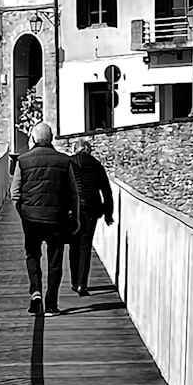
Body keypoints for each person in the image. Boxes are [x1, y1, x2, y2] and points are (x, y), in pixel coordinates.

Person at [10, 122, 78, 317]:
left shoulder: (23, 160)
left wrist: (22, 213)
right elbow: (73, 193)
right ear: (52, 138)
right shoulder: (64, 161)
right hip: (57, 217)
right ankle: (51, 305)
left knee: (32, 255)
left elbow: (15, 192)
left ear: (33, 138)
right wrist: (74, 217)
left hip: (30, 217)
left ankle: (35, 292)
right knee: (55, 261)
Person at [69, 140, 114, 296]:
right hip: (92, 210)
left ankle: (75, 281)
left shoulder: (70, 163)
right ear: (89, 150)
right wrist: (108, 213)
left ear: (75, 149)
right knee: (85, 246)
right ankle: (82, 284)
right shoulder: (96, 165)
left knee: (74, 245)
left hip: (74, 209)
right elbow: (106, 191)